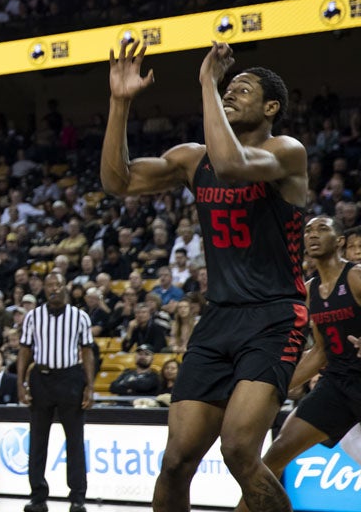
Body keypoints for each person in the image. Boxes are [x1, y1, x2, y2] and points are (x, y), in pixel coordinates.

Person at [101, 41, 307, 512]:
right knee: (175, 460)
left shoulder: (286, 152)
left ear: (271, 107)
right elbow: (118, 181)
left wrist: (208, 85)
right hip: (218, 319)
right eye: (227, 88)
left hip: (275, 315)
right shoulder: (193, 160)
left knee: (238, 449)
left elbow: (234, 166)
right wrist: (120, 102)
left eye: (243, 89)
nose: (231, 94)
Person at [233, 215, 361, 512]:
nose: (313, 234)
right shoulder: (309, 290)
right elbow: (319, 353)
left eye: (322, 229)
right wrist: (276, 385)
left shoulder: (355, 276)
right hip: (337, 385)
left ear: (340, 241)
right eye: (308, 230)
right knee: (272, 458)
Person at [17, 271, 95, 512]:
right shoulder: (33, 317)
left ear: (65, 288)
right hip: (41, 378)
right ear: (44, 289)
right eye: (49, 285)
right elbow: (24, 351)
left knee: (75, 441)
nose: (53, 288)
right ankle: (38, 497)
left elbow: (88, 351)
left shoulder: (80, 317)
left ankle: (78, 498)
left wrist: (90, 386)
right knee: (38, 441)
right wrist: (20, 383)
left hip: (71, 378)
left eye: (58, 284)